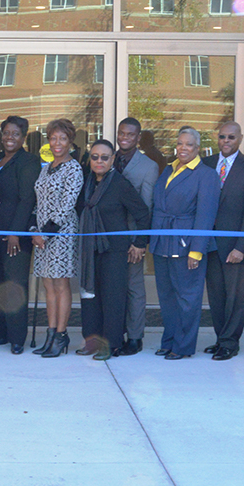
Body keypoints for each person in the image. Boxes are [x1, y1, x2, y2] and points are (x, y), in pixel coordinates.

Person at [76, 140, 151, 360]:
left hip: (114, 250)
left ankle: (112, 344)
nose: (99, 161)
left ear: (112, 160)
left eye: (105, 157)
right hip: (90, 249)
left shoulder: (120, 184)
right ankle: (91, 341)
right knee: (90, 297)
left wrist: (139, 243)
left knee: (112, 299)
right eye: (95, 157)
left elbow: (142, 214)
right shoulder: (86, 183)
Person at [151, 128, 220, 360]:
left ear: (197, 148)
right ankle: (169, 341)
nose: (183, 148)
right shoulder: (168, 169)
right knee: (167, 296)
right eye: (180, 143)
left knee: (188, 298)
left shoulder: (206, 175)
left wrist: (197, 251)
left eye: (188, 144)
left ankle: (183, 346)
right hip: (163, 243)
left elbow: (206, 215)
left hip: (187, 245)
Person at [202, 122, 244, 360]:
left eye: (231, 137)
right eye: (222, 137)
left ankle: (230, 342)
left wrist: (240, 247)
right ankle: (220, 338)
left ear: (240, 139)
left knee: (235, 297)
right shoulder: (206, 164)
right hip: (210, 244)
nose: (226, 141)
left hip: (235, 245)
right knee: (216, 295)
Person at [31, 118, 84, 358]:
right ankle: (50, 333)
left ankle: (62, 335)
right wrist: (35, 231)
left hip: (61, 234)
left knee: (60, 284)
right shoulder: (46, 167)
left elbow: (67, 205)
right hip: (42, 235)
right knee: (47, 284)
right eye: (53, 138)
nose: (57, 143)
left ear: (70, 141)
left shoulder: (74, 168)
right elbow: (39, 203)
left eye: (62, 138)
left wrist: (46, 232)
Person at [0, 116, 40, 355]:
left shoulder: (29, 161)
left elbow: (27, 198)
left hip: (14, 234)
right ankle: (3, 333)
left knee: (15, 284)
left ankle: (18, 338)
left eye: (15, 134)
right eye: (6, 133)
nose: (10, 138)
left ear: (24, 137)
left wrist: (14, 233)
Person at [114, 117, 159, 355]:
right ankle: (114, 333)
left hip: (132, 239)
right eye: (122, 133)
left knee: (134, 288)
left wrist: (140, 242)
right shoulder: (107, 158)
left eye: (130, 134)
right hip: (108, 239)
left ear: (138, 138)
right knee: (112, 287)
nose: (125, 138)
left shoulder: (148, 166)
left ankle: (134, 337)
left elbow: (147, 206)